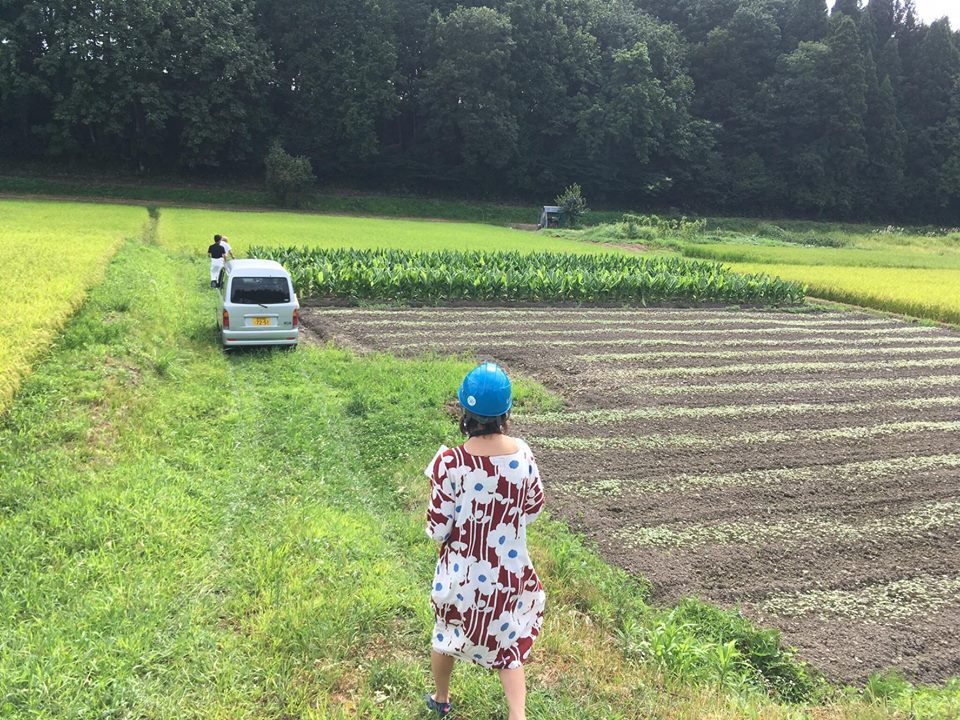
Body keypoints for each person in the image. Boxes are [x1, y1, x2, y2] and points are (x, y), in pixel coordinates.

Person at [424, 362, 546, 720]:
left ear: (465, 411)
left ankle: (442, 698)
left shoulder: (451, 462)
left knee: (446, 635)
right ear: (506, 413)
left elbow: (437, 527)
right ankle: (517, 716)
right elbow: (534, 507)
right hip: (507, 575)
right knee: (509, 648)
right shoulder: (522, 454)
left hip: (460, 578)